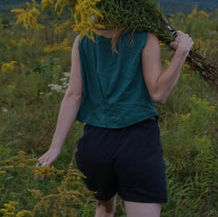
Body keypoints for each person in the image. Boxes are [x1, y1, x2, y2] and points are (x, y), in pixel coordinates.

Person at [38, 28, 193, 217]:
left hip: (95, 144)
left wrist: (55, 147)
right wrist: (182, 51)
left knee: (104, 209)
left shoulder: (83, 39)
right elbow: (159, 93)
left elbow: (73, 94)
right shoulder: (143, 36)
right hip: (138, 143)